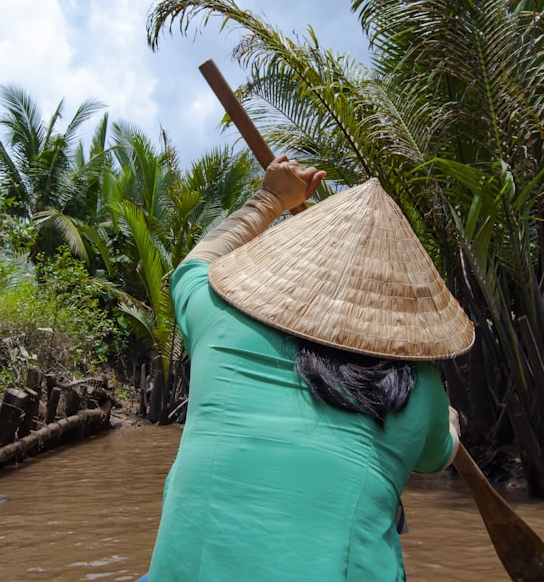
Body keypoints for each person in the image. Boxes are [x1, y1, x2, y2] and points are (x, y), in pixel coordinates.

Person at [144, 156, 474, 581]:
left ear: (296, 266)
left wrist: (271, 199)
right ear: (397, 300)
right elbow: (435, 458)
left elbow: (194, 265)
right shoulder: (419, 386)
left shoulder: (219, 319)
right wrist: (447, 421)